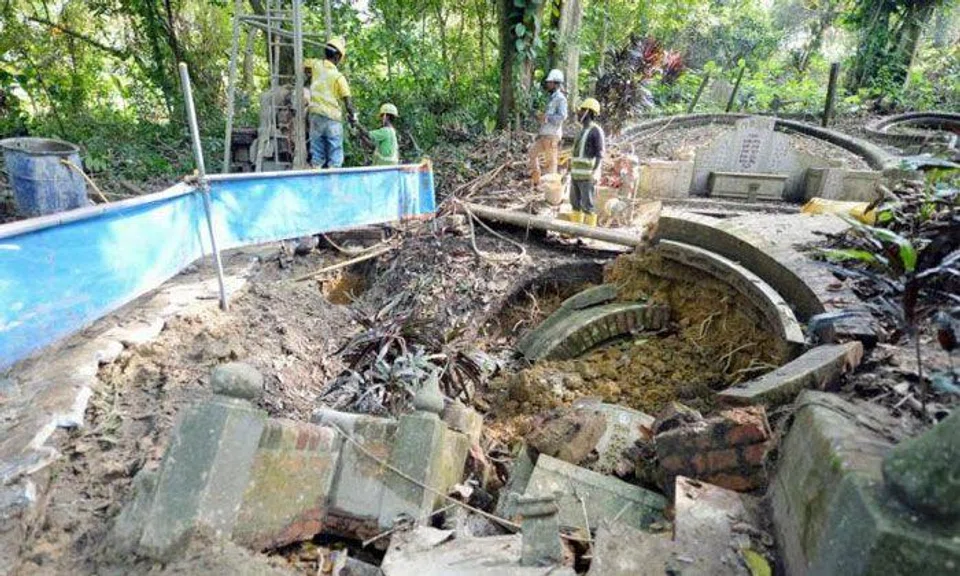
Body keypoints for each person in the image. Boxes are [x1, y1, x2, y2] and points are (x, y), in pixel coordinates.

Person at [304, 36, 357, 168]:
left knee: (317, 155)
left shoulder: (315, 65)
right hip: (332, 119)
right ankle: (334, 185)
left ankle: (316, 181)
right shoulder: (339, 77)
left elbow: (304, 64)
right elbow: (348, 104)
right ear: (338, 57)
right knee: (335, 155)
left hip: (315, 116)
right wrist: (354, 117)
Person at [567, 98, 605, 226]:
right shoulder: (581, 130)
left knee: (588, 205)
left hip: (587, 175)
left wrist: (595, 172)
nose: (579, 112)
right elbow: (576, 153)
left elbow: (599, 154)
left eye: (582, 110)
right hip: (576, 174)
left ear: (589, 112)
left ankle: (589, 234)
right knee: (574, 203)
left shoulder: (596, 131)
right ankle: (575, 231)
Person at [529, 68, 568, 186]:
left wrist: (547, 117)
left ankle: (552, 189)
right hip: (544, 135)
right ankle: (537, 182)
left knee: (551, 163)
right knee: (532, 153)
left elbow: (562, 117)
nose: (548, 84)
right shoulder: (551, 98)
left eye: (550, 82)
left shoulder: (560, 98)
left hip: (552, 136)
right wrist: (541, 116)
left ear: (556, 84)